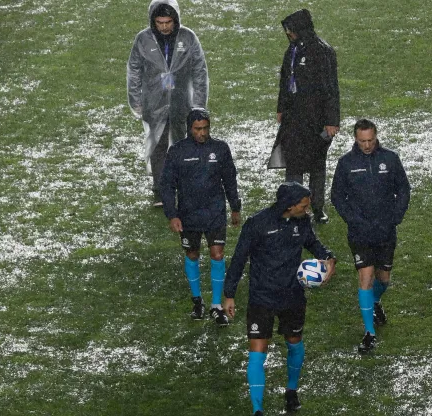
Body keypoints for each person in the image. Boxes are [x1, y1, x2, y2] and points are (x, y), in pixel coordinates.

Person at [224, 182, 336, 415]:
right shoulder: (257, 224)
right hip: (262, 297)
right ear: (289, 205)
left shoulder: (302, 221)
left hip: (292, 295)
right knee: (258, 350)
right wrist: (229, 294)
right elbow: (238, 259)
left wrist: (328, 257)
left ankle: (291, 391)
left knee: (294, 342)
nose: (307, 209)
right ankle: (257, 409)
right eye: (303, 206)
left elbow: (313, 243)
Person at [330, 119, 411, 354]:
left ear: (376, 137)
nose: (366, 145)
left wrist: (396, 216)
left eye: (370, 140)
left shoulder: (390, 159)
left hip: (385, 230)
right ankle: (369, 333)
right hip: (359, 232)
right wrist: (353, 220)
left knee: (383, 279)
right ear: (355, 139)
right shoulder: (346, 163)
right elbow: (337, 196)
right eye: (362, 141)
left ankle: (375, 302)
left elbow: (403, 189)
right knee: (365, 277)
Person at [160, 108, 241, 326]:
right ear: (189, 129)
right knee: (193, 254)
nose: (202, 133)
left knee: (217, 254)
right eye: (198, 129)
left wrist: (235, 207)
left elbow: (230, 179)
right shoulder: (177, 152)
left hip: (215, 212)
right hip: (188, 215)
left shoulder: (220, 149)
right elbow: (167, 186)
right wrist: (172, 215)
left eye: (205, 128)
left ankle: (216, 305)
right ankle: (197, 301)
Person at [127, 0, 209, 207]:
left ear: (176, 20)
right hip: (154, 102)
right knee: (158, 144)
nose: (164, 26)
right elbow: (134, 69)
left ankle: (185, 188)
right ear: (153, 21)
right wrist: (136, 100)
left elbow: (200, 71)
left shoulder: (188, 38)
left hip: (183, 101)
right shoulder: (143, 39)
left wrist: (199, 103)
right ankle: (160, 191)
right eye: (159, 22)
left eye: (168, 22)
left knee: (185, 144)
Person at [271, 9, 340, 224]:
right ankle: (293, 206)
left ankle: (317, 208)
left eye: (291, 30)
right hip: (293, 118)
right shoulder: (292, 50)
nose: (288, 34)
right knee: (293, 164)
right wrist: (281, 107)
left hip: (316, 119)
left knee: (316, 164)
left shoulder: (322, 52)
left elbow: (331, 88)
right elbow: (285, 80)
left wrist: (331, 120)